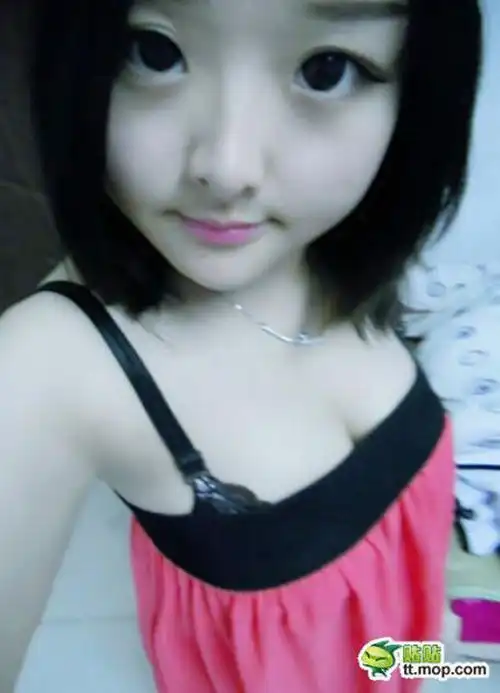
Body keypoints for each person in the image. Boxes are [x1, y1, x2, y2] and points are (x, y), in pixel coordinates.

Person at [0, 0, 482, 690]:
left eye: (326, 70)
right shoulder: (44, 365)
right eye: (154, 53)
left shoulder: (341, 245)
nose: (228, 170)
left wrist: (436, 649)